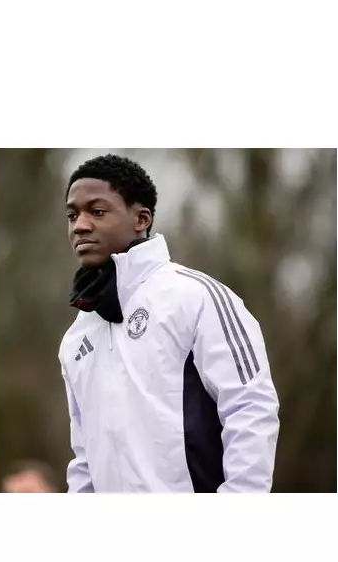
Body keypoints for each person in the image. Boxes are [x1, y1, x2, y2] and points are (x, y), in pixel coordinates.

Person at [58, 153, 280, 493]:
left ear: (141, 218)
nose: (80, 225)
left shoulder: (196, 297)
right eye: (72, 215)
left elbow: (251, 407)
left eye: (97, 212)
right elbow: (85, 454)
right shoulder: (77, 336)